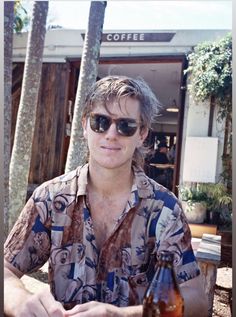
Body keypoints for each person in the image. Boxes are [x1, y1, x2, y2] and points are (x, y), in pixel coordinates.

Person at [4, 76, 208, 317]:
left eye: (125, 126)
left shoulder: (164, 209)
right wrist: (20, 301)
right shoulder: (50, 199)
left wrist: (123, 315)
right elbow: (6, 270)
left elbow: (196, 300)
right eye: (100, 122)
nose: (111, 134)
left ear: (141, 134)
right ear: (84, 125)